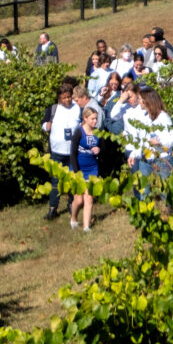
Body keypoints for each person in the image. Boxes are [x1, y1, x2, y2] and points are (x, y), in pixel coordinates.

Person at [43, 80, 84, 222]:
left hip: (72, 151)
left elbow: (81, 123)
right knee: (56, 180)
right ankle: (53, 208)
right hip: (57, 150)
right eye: (64, 97)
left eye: (69, 97)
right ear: (59, 98)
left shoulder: (77, 108)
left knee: (72, 178)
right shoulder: (53, 109)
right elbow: (44, 124)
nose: (67, 100)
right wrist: (46, 126)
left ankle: (71, 204)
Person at [124, 84, 173, 180]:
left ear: (147, 101)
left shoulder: (163, 117)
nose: (139, 101)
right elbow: (143, 141)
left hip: (162, 161)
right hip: (146, 160)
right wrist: (134, 154)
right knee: (144, 193)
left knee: (163, 193)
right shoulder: (145, 118)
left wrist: (160, 142)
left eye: (140, 99)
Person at [73, 105, 102, 231]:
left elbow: (104, 150)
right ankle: (73, 217)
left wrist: (99, 150)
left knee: (89, 197)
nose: (95, 122)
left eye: (96, 119)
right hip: (79, 168)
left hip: (92, 168)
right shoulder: (79, 132)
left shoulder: (98, 133)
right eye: (92, 119)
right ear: (85, 118)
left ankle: (86, 227)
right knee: (79, 200)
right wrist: (75, 172)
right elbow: (73, 153)